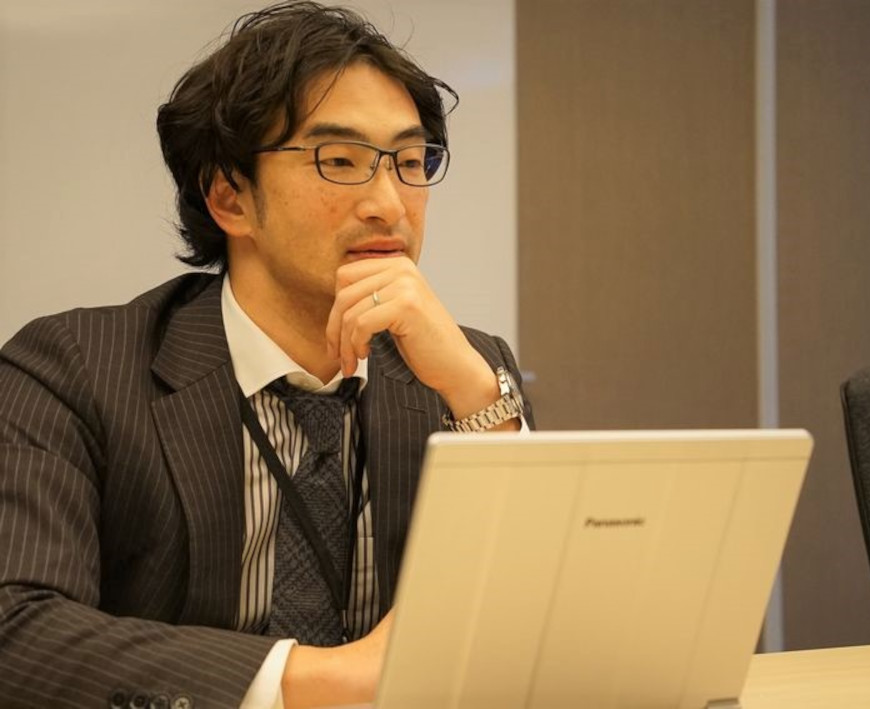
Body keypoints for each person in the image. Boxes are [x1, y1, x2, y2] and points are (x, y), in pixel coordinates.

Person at [0, 3, 532, 708]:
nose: (389, 204)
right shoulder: (75, 370)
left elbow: (544, 618)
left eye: (409, 163)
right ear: (229, 197)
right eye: (339, 161)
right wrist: (328, 680)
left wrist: (479, 398)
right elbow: (18, 627)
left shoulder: (464, 369)